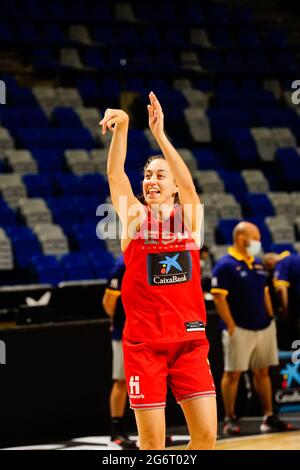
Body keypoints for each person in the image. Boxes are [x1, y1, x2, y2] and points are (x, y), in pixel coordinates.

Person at [99, 92, 217, 450]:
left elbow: (189, 187)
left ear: (172, 187)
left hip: (190, 344)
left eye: (159, 175)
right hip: (145, 346)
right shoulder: (136, 219)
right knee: (152, 444)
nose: (151, 180)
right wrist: (124, 128)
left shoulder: (190, 220)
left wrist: (161, 136)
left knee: (206, 436)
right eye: (148, 175)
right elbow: (115, 175)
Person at [211, 222, 292, 435]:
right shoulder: (225, 265)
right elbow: (219, 298)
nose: (259, 242)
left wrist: (270, 316)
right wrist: (231, 326)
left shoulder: (256, 263)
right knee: (233, 374)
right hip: (240, 328)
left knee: (263, 372)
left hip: (263, 326)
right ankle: (229, 418)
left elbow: (265, 291)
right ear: (241, 238)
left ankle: (268, 416)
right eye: (255, 238)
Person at [102, 255, 136, 449]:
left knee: (152, 380)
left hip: (148, 331)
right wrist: (119, 322)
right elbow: (108, 303)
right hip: (124, 333)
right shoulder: (121, 267)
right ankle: (116, 429)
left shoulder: (154, 258)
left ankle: (152, 429)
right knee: (122, 380)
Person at [264, 251, 300, 346]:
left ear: (270, 262)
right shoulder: (295, 257)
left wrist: (284, 309)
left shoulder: (282, 263)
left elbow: (281, 289)